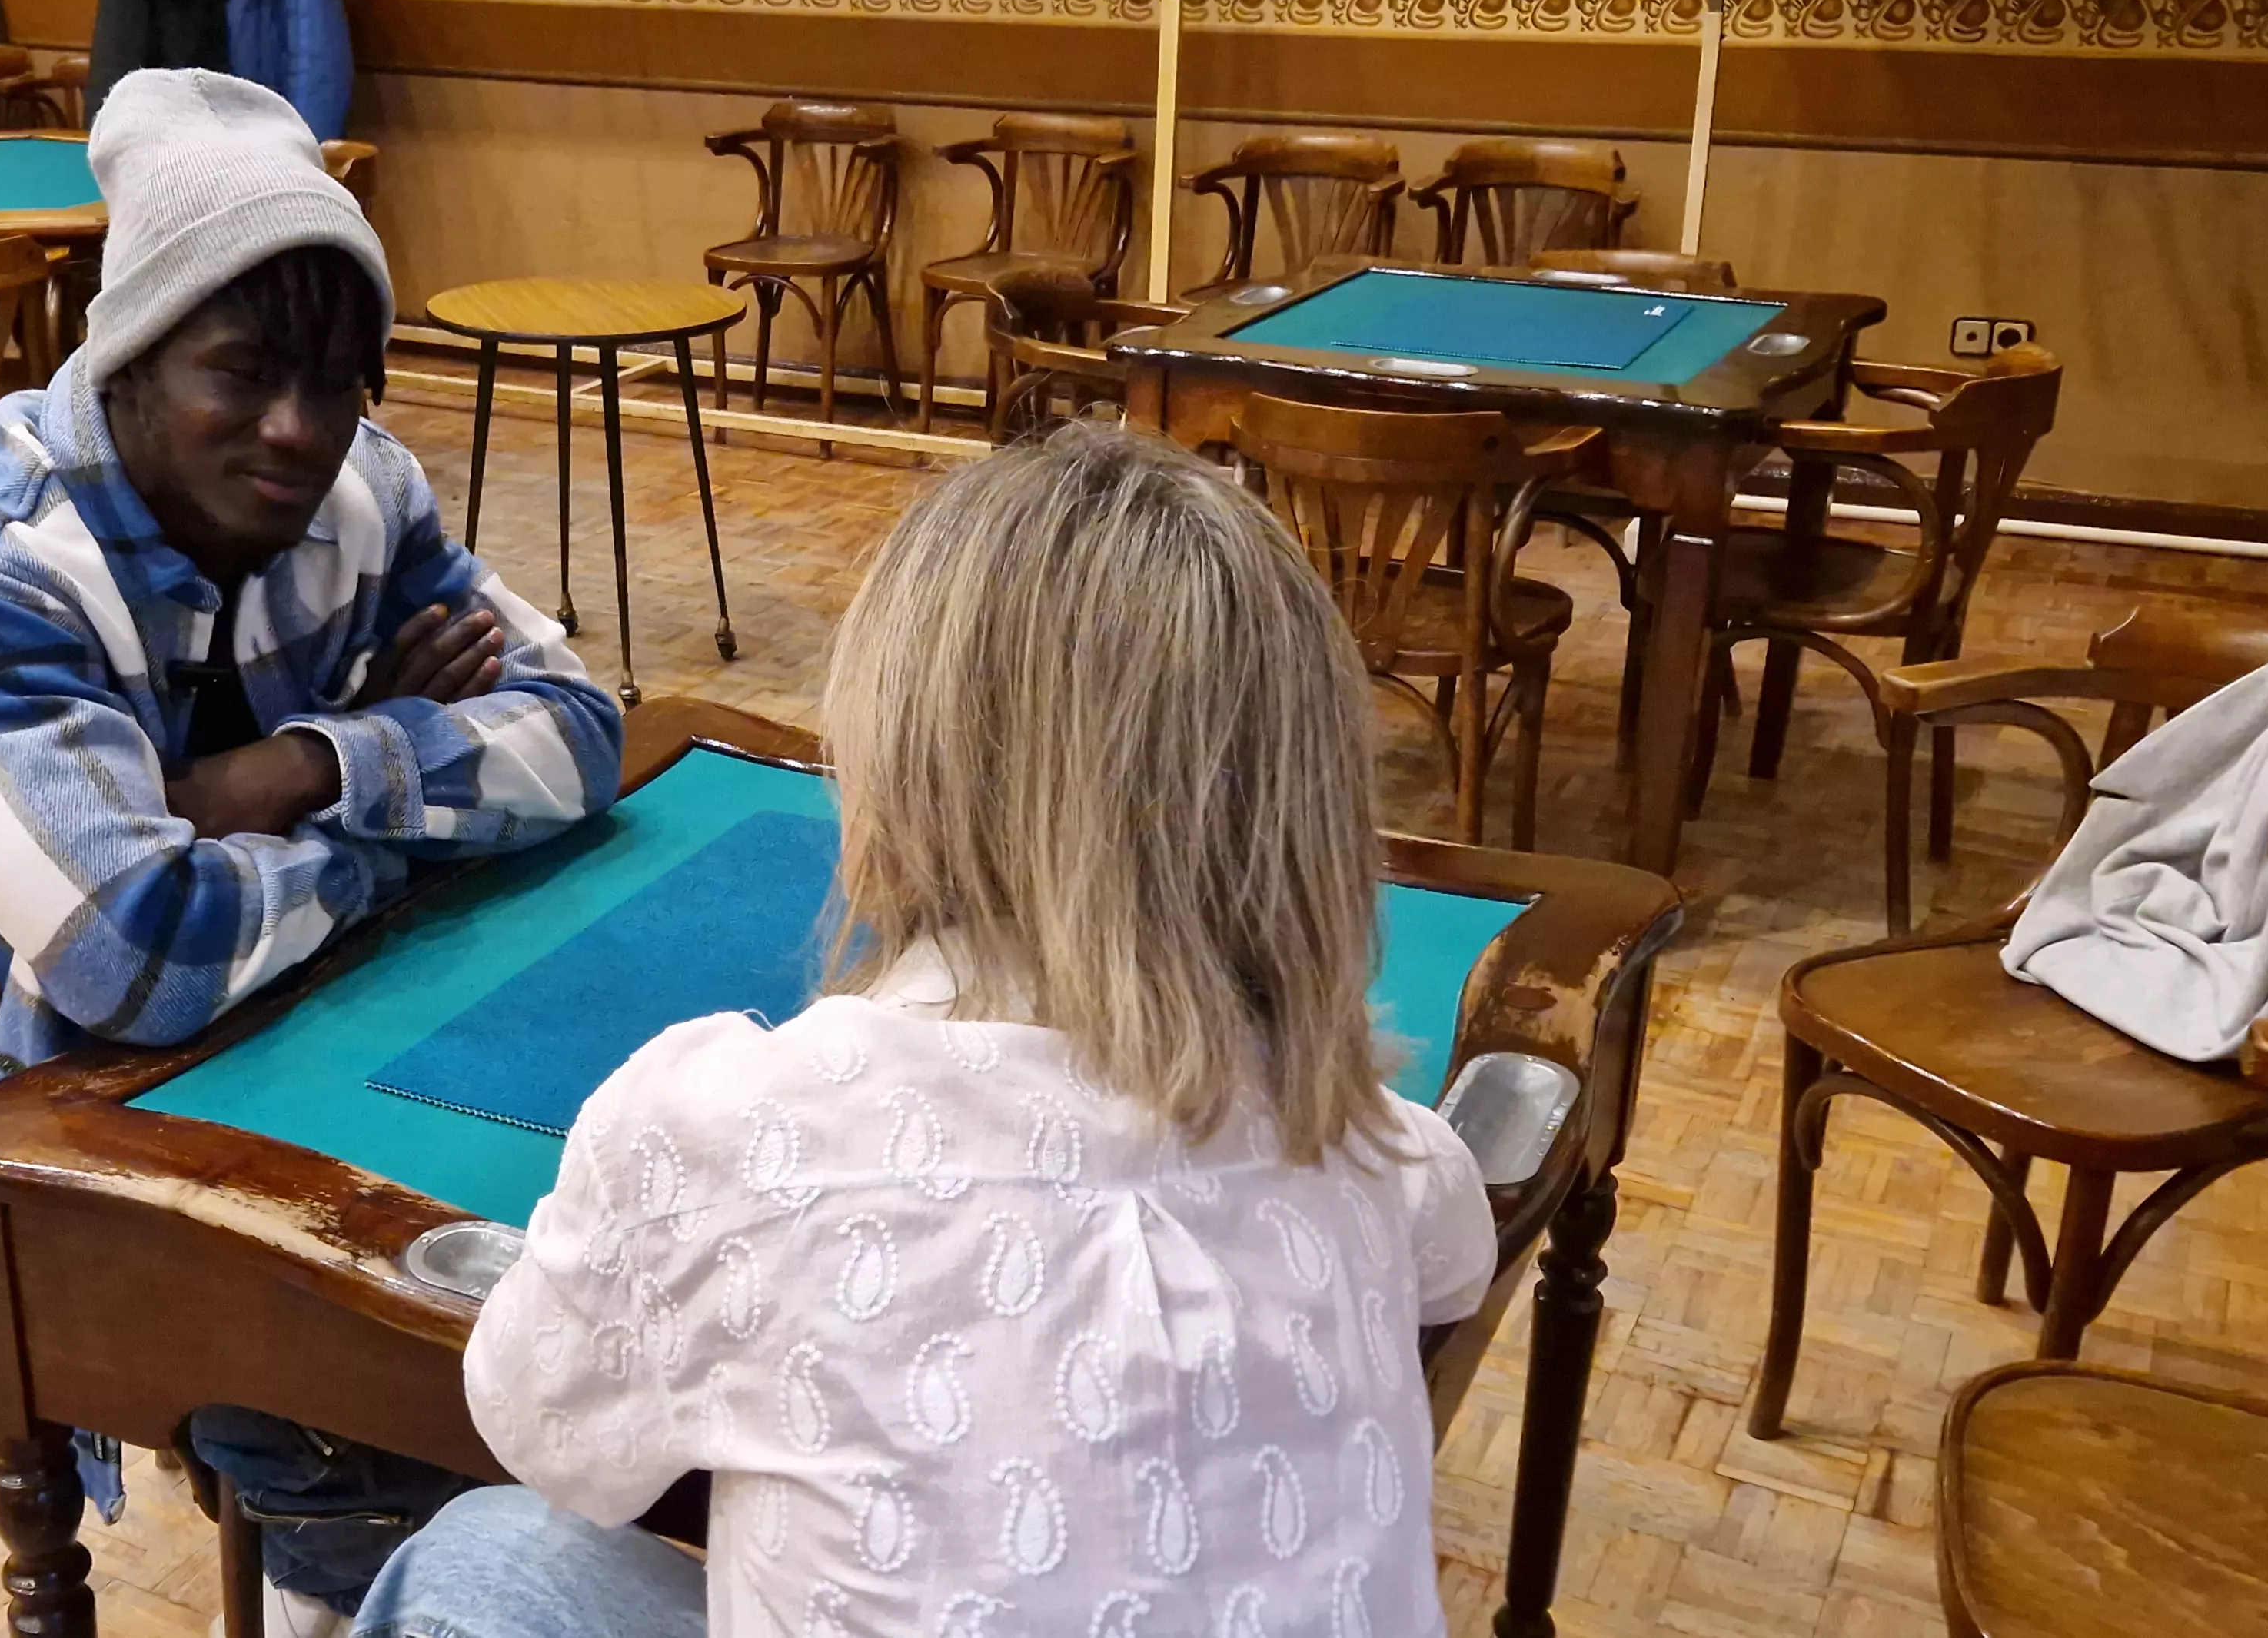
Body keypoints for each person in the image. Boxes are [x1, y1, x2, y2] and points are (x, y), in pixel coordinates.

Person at [354, 422, 1500, 1635]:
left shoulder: (715, 1124)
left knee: (483, 1556)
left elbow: (548, 1437)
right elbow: (1455, 1251)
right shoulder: (1377, 1144)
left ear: (900, 756)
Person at [0, 68, 622, 1613]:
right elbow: (144, 953)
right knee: (415, 1348)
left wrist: (300, 763)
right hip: (12, 1123)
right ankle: (343, 1536)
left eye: (339, 384)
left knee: (565, 1233)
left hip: (294, 1019)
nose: (298, 430)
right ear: (128, 349)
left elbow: (580, 728)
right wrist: (410, 807)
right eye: (242, 373)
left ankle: (404, 1516)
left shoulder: (363, 490)